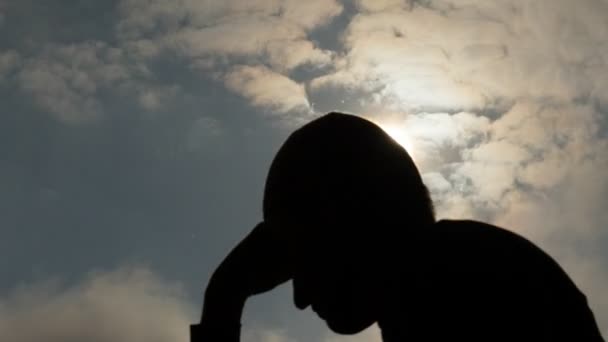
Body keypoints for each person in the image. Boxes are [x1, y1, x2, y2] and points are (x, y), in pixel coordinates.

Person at [191, 112, 605, 341]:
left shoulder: (466, 284)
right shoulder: (456, 277)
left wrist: (224, 298)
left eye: (303, 260)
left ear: (350, 224)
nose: (299, 297)